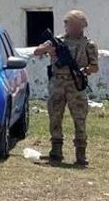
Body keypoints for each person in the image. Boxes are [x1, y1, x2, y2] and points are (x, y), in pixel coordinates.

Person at [32, 10, 99, 167]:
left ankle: (80, 154)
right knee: (55, 117)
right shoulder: (56, 41)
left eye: (76, 26)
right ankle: (56, 152)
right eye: (70, 25)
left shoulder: (89, 45)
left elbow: (95, 67)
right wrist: (48, 50)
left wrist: (85, 70)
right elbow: (37, 51)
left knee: (80, 119)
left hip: (76, 85)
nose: (72, 28)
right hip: (57, 84)